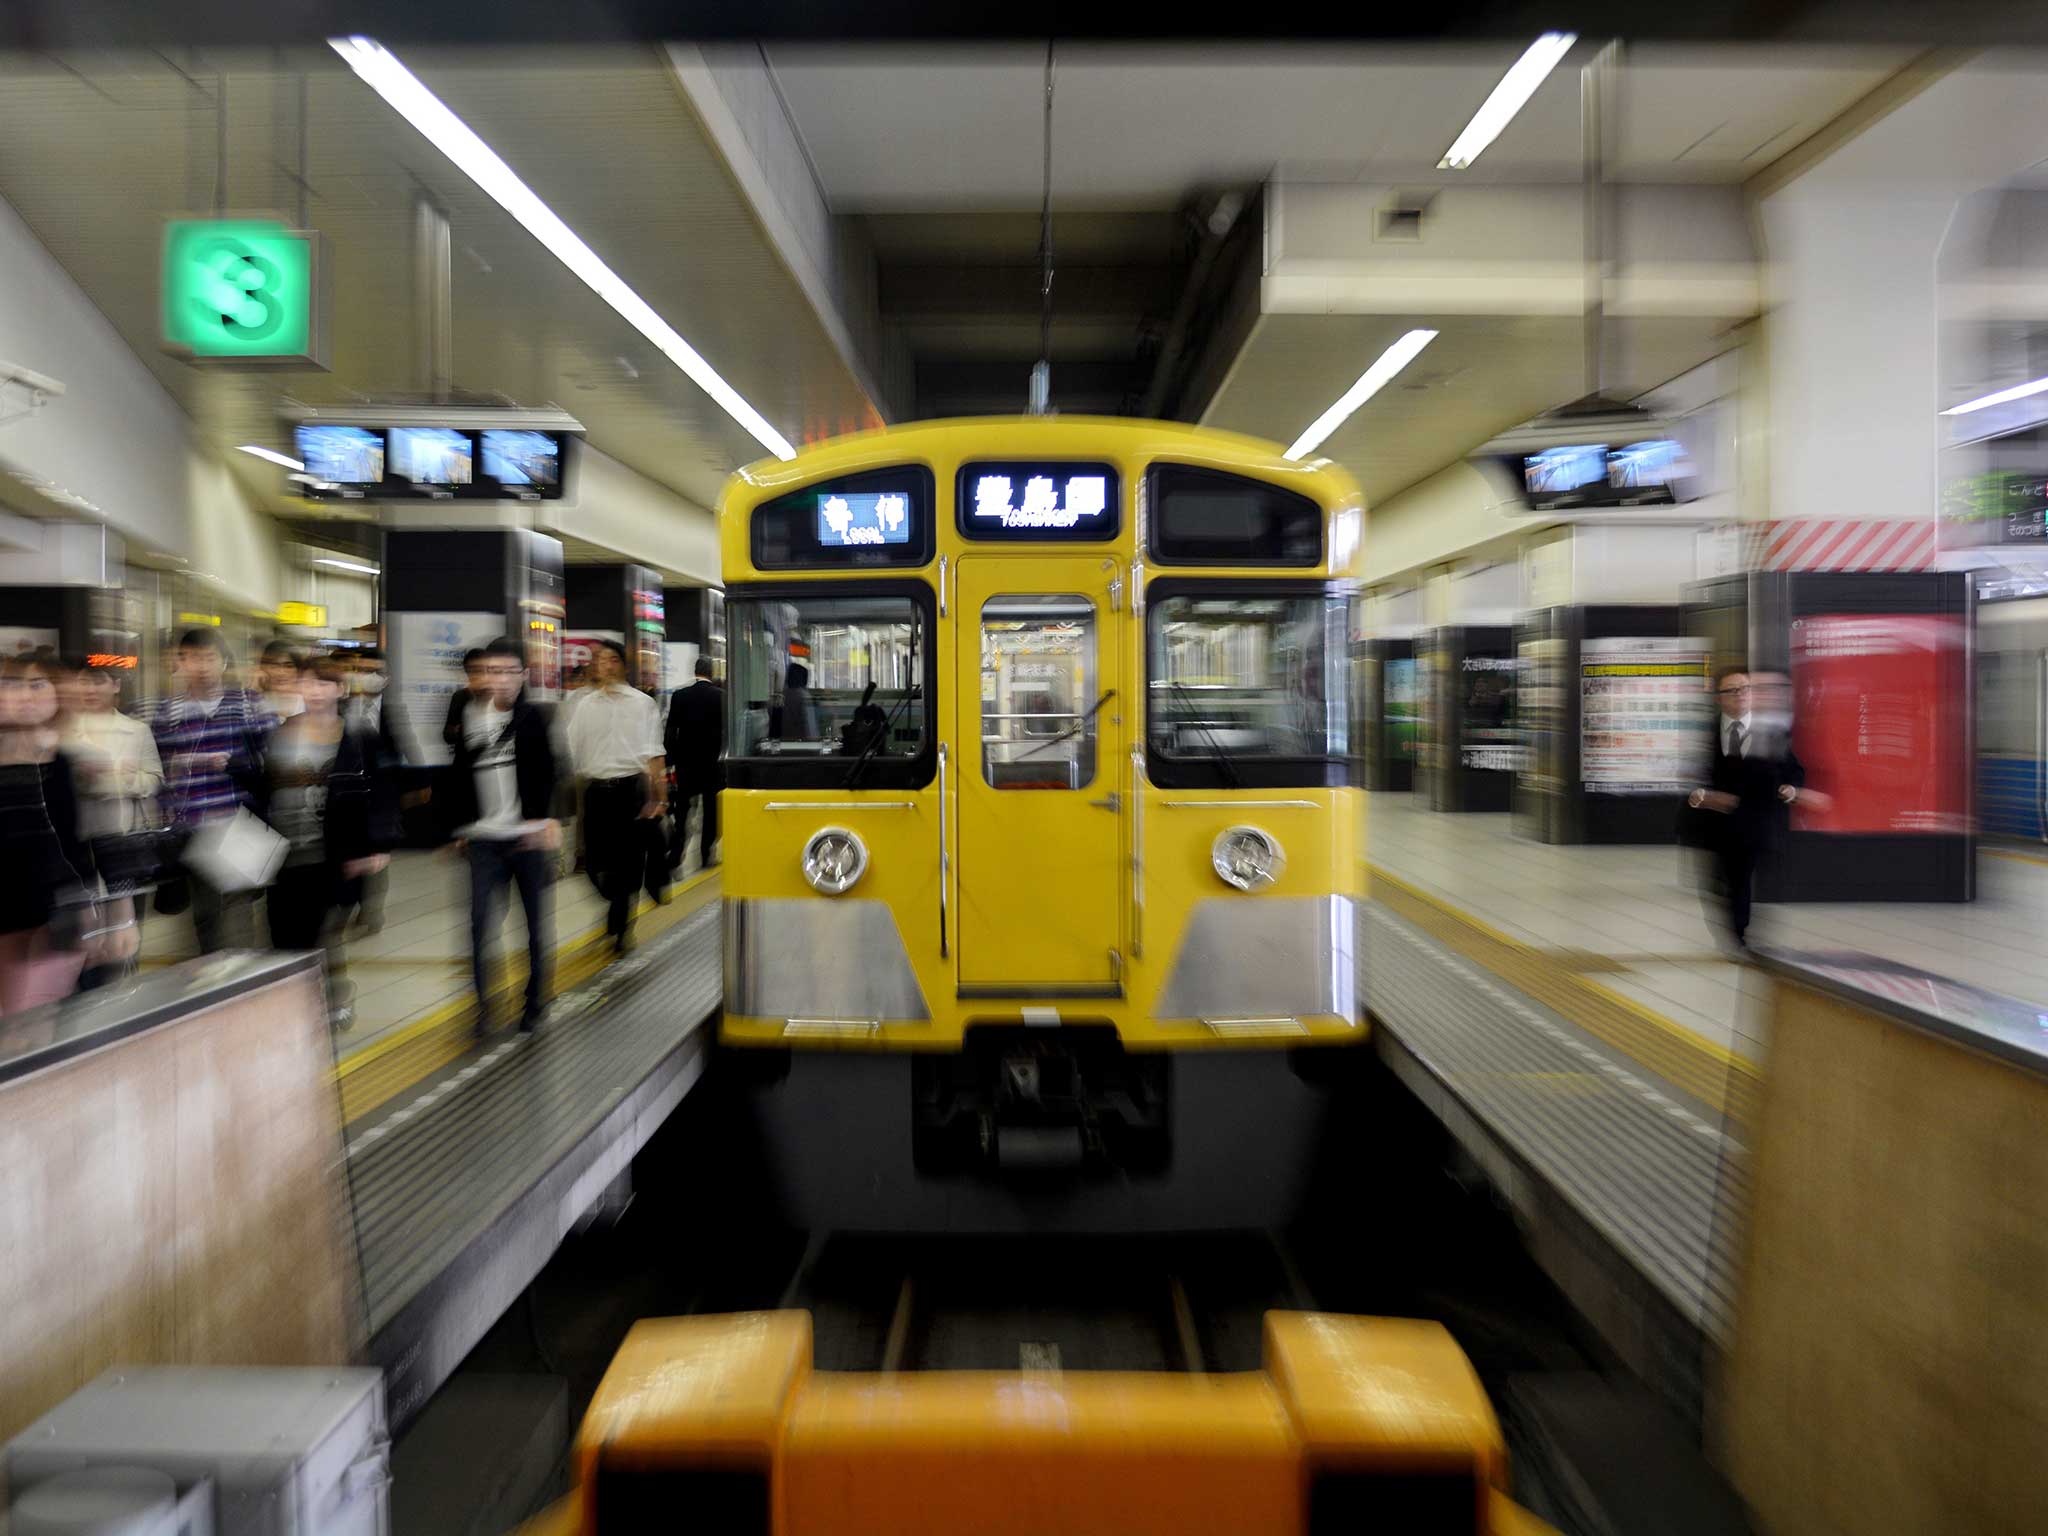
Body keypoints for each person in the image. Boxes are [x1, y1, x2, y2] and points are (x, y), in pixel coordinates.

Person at [252, 654, 399, 1027]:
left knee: (325, 934)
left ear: (339, 689)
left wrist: (375, 848)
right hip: (283, 854)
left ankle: (334, 999)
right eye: (308, 682)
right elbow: (261, 791)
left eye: (324, 683)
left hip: (334, 853)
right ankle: (292, 1004)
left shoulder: (358, 737)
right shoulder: (278, 734)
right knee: (283, 934)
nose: (315, 691)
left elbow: (380, 793)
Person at [442, 637, 560, 1033]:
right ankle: (484, 1007)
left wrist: (545, 821)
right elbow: (459, 774)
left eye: (510, 672)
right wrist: (460, 827)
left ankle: (535, 1001)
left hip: (527, 837)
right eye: (493, 671)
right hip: (483, 840)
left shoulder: (535, 718)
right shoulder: (469, 713)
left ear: (524, 675)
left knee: (535, 926)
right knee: (480, 925)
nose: (501, 680)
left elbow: (549, 771)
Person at [140, 627, 274, 953]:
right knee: (205, 914)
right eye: (191, 658)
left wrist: (235, 763)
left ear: (223, 663)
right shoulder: (164, 712)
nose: (201, 666)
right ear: (179, 663)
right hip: (193, 824)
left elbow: (271, 756)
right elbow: (153, 765)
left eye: (209, 658)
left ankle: (240, 979)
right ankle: (216, 979)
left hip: (238, 821)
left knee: (238, 909)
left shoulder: (248, 703)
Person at [1686, 669, 1819, 952]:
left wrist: (1791, 790)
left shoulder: (1768, 731)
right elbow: (1698, 773)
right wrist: (1701, 794)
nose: (1740, 696)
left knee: (1742, 878)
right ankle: (1734, 928)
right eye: (1732, 691)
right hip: (1714, 823)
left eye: (1745, 689)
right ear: (1719, 698)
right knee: (1717, 882)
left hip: (1754, 822)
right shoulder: (1708, 732)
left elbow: (1792, 770)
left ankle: (1740, 935)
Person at [57, 656, 162, 991]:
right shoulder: (63, 730)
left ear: (116, 686)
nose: (91, 689)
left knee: (124, 933)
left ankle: (123, 995)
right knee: (84, 934)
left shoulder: (136, 730)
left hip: (122, 841)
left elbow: (153, 780)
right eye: (85, 681)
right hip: (77, 845)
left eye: (100, 681)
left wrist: (123, 782)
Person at [0, 652, 96, 1013]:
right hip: (8, 906)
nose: (25, 696)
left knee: (40, 1019)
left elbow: (74, 840)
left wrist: (88, 903)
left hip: (50, 910)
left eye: (38, 685)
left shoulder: (61, 761)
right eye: (12, 685)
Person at [567, 639, 666, 951]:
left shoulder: (642, 704)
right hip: (596, 792)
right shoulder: (584, 705)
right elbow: (574, 751)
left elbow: (654, 754)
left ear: (623, 665)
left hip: (631, 791)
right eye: (599, 660)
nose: (603, 665)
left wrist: (659, 798)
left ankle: (623, 927)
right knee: (595, 865)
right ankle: (616, 903)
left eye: (611, 659)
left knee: (628, 862)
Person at [343, 647, 406, 936]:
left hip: (380, 794)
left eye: (376, 671)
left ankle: (372, 911)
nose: (369, 677)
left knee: (378, 852)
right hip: (346, 794)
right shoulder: (341, 707)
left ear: (386, 677)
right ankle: (349, 904)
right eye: (363, 670)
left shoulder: (392, 709)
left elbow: (399, 749)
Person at [665, 656, 724, 872]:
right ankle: (706, 853)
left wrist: (670, 760)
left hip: (685, 764)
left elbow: (671, 730)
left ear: (695, 671)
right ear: (711, 672)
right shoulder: (721, 697)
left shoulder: (680, 696)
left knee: (682, 810)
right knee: (711, 810)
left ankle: (676, 855)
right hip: (712, 764)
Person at [441, 647, 489, 751]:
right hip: (464, 760)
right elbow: (447, 736)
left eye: (483, 669)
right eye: (474, 670)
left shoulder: (498, 696)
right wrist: (456, 731)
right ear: (467, 672)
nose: (480, 674)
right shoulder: (459, 697)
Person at [253, 640, 305, 727]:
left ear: (298, 670)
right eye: (273, 666)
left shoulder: (309, 704)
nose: (281, 672)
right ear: (263, 668)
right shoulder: (254, 705)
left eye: (288, 666)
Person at [782, 660, 818, 742]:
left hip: (784, 743)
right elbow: (810, 729)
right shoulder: (804, 697)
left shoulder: (784, 695)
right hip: (802, 745)